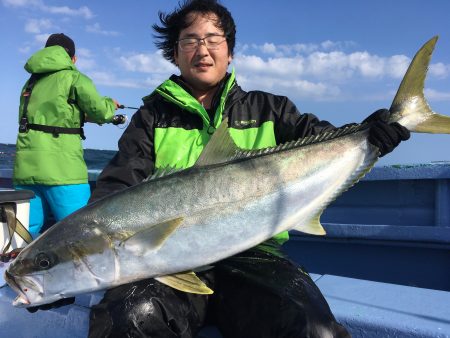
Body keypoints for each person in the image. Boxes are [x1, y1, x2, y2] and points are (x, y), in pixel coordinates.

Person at [89, 1, 408, 337]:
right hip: (167, 262)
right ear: (174, 53)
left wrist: (369, 135)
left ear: (230, 52)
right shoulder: (151, 117)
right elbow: (118, 186)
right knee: (126, 319)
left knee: (312, 328)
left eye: (214, 39)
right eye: (190, 40)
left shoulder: (270, 109)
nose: (203, 50)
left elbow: (325, 141)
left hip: (255, 255)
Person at [13, 33, 123, 239]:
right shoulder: (74, 77)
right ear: (73, 58)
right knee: (81, 234)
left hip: (25, 170)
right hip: (63, 170)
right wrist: (109, 103)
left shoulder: (30, 84)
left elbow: (54, 115)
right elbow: (100, 111)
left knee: (21, 237)